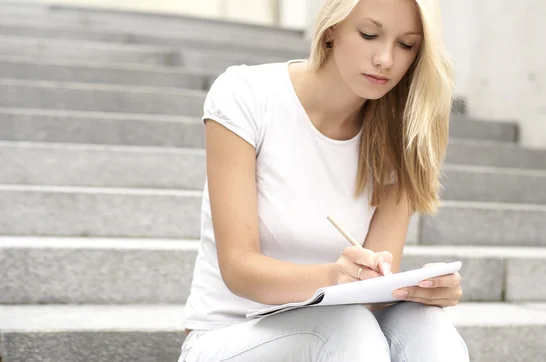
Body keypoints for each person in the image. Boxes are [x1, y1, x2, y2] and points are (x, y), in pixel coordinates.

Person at [179, 0, 470, 360]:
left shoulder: (400, 139)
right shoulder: (246, 94)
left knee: (429, 326)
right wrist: (334, 277)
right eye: (369, 35)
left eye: (406, 44)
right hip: (230, 334)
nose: (385, 59)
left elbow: (371, 293)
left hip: (343, 335)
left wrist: (418, 290)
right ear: (331, 29)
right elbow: (239, 269)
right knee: (347, 327)